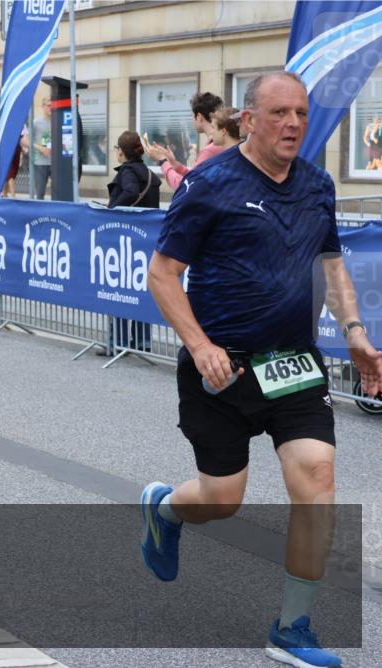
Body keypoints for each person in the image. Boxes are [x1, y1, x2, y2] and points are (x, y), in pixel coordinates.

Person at [142, 72, 382, 668]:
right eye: (279, 113)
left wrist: (354, 333)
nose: (293, 124)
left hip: (295, 366)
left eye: (300, 112)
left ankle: (292, 628)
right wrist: (199, 345)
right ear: (248, 120)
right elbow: (163, 274)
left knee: (318, 484)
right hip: (221, 369)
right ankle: (165, 509)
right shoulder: (209, 183)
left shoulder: (318, 186)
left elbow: (330, 265)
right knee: (221, 500)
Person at [98, 130, 159, 356]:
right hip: (147, 242)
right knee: (142, 291)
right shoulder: (150, 174)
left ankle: (119, 342)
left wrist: (112, 210)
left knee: (120, 290)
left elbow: (131, 191)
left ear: (121, 152)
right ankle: (142, 342)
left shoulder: (127, 172)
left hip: (124, 240)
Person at [143, 91, 224, 191]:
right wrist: (174, 163)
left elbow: (185, 186)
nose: (191, 119)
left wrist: (162, 161)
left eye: (191, 115)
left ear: (198, 117)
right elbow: (194, 177)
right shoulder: (215, 145)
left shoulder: (210, 150)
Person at [27, 97, 53, 199]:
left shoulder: (57, 121)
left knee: (58, 193)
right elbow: (25, 139)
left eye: (52, 105)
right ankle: (40, 214)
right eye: (48, 105)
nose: (51, 108)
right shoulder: (36, 122)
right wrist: (40, 148)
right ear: (43, 106)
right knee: (40, 193)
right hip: (40, 162)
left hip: (55, 163)